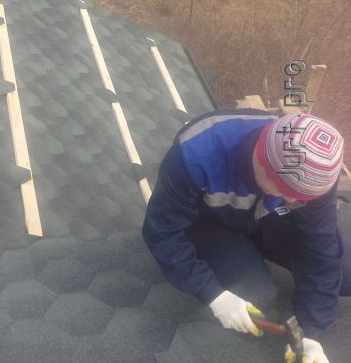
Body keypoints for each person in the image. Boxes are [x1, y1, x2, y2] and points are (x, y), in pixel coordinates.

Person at [142, 110, 351, 363]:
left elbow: (321, 246)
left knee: (346, 274)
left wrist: (311, 332)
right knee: (256, 295)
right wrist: (213, 294)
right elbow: (161, 232)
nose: (294, 200)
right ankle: (240, 258)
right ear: (262, 162)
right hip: (209, 223)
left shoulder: (316, 171)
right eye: (286, 190)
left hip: (265, 215)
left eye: (301, 196)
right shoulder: (195, 152)